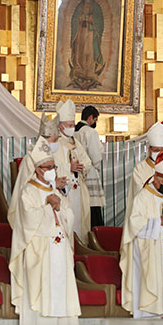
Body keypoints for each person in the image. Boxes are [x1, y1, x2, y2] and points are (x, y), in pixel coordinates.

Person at [8, 137, 80, 325]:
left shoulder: (53, 188)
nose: (52, 170)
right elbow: (27, 221)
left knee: (59, 288)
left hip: (58, 246)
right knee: (40, 290)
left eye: (53, 167)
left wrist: (60, 210)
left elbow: (68, 214)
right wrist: (46, 206)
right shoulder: (28, 191)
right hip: (39, 249)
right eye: (48, 167)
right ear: (38, 169)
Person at [119, 149, 163, 318]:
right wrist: (159, 222)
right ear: (156, 179)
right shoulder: (143, 197)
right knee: (151, 287)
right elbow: (134, 224)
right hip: (149, 253)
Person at [56, 99, 93, 243]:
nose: (72, 128)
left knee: (79, 224)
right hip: (65, 192)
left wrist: (82, 166)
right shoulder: (55, 142)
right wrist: (68, 168)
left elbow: (87, 161)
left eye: (73, 125)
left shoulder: (75, 142)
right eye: (69, 125)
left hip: (78, 189)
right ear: (61, 126)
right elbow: (49, 165)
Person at [75, 105, 105, 228]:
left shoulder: (74, 131)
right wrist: (97, 167)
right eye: (95, 119)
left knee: (81, 205)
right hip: (90, 172)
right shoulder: (90, 132)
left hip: (77, 172)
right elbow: (95, 155)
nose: (95, 122)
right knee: (93, 206)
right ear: (90, 117)